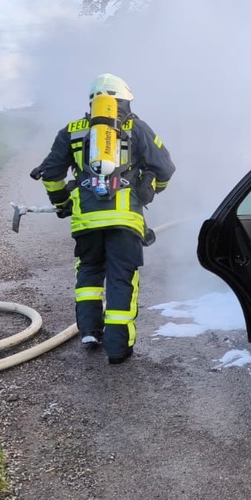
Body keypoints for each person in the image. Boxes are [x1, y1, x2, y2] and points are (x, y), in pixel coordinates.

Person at [33, 73, 175, 364]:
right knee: (121, 279)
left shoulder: (71, 131)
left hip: (86, 221)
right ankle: (118, 348)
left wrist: (62, 203)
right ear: (123, 100)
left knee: (89, 272)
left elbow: (51, 174)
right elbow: (165, 168)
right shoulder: (137, 127)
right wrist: (149, 190)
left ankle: (89, 331)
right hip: (125, 222)